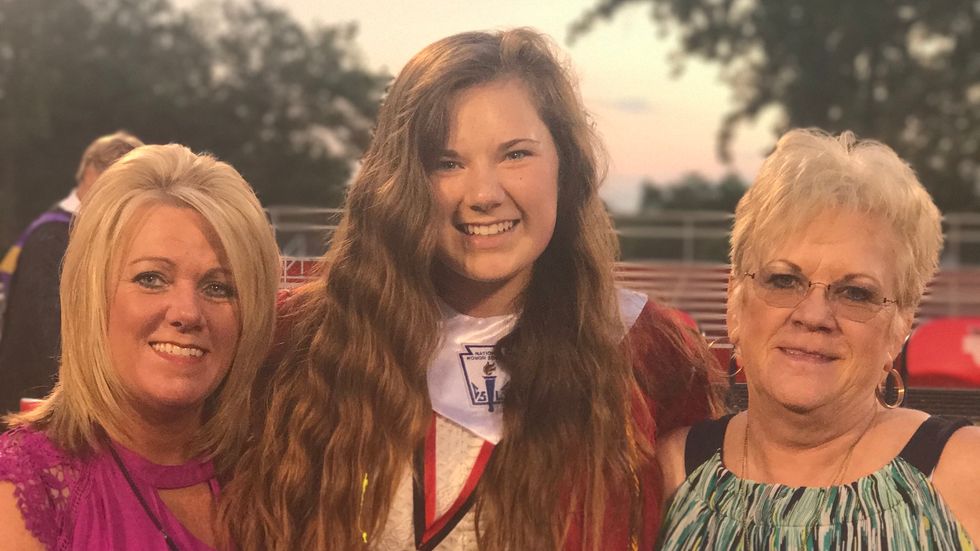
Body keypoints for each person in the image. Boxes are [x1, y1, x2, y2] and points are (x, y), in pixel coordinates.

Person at [222, 28, 722, 551]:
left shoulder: (649, 356)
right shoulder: (303, 343)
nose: (483, 194)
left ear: (566, 165)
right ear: (400, 181)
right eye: (447, 162)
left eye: (516, 155)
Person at [657, 129, 980, 549]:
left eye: (855, 293)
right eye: (784, 280)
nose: (813, 315)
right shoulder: (664, 475)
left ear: (900, 325)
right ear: (734, 302)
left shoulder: (967, 475)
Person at [0, 144, 280, 550]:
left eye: (218, 287)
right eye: (151, 279)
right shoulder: (27, 489)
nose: (187, 312)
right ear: (90, 296)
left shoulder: (276, 477)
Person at [0, 131, 144, 413]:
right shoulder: (53, 237)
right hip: (41, 403)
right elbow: (47, 338)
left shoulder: (84, 232)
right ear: (91, 174)